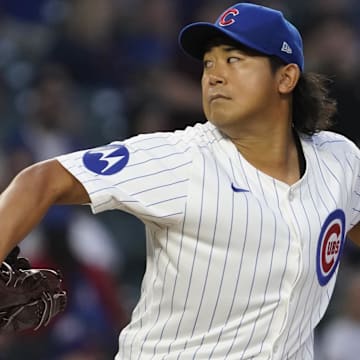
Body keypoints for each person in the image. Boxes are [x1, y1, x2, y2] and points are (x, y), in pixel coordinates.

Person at [0, 2, 359, 359]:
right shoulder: (182, 158)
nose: (214, 75)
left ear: (285, 77)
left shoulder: (338, 160)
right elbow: (40, 180)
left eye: (233, 60)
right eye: (208, 63)